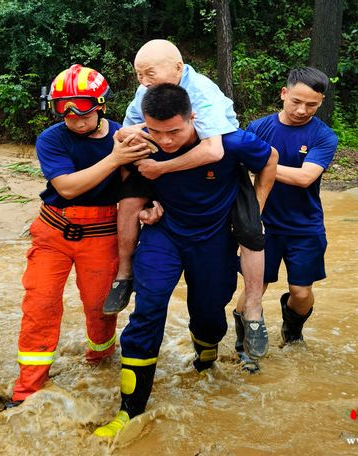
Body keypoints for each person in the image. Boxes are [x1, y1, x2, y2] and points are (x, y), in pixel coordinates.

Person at [93, 84, 278, 437]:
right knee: (148, 309)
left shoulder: (230, 143)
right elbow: (128, 183)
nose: (165, 141)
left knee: (208, 313)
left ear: (193, 118)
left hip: (214, 239)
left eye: (174, 131)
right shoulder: (141, 143)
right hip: (165, 236)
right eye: (155, 131)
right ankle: (129, 411)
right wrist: (147, 206)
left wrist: (255, 208)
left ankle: (205, 353)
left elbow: (269, 160)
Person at [103, 39, 270, 360]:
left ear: (178, 69)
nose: (143, 81)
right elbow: (121, 134)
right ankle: (124, 275)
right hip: (168, 166)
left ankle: (253, 309)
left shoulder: (202, 91)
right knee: (129, 202)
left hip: (221, 167)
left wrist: (159, 168)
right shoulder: (146, 92)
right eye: (138, 75)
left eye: (149, 72)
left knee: (251, 232)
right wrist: (135, 135)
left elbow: (214, 150)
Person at [3, 65, 155, 409]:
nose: (73, 115)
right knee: (40, 304)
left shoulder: (126, 137)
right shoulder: (52, 139)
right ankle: (27, 390)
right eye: (63, 107)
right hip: (53, 232)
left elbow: (145, 184)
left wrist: (151, 206)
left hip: (102, 233)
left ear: (100, 103)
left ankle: (99, 360)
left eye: (81, 105)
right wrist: (115, 159)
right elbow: (67, 188)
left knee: (100, 307)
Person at [235, 67, 338, 361]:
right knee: (256, 287)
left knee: (301, 292)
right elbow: (237, 170)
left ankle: (292, 332)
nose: (302, 110)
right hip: (262, 223)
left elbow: (306, 177)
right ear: (284, 93)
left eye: (311, 105)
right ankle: (243, 348)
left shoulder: (324, 136)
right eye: (296, 101)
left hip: (305, 226)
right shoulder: (257, 129)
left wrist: (264, 164)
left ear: (320, 103)